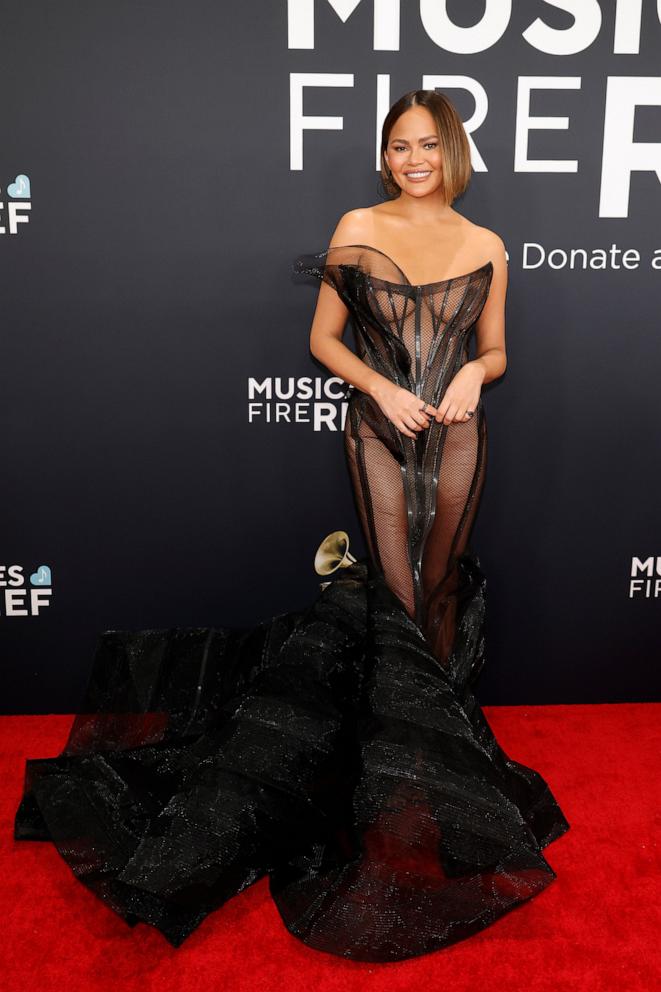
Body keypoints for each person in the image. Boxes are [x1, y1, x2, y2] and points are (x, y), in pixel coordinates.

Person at [13, 89, 569, 963]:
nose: (411, 159)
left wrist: (474, 378)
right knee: (393, 595)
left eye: (426, 144)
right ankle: (385, 779)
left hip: (459, 436)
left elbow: (494, 348)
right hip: (378, 430)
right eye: (397, 145)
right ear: (383, 156)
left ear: (452, 150)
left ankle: (439, 761)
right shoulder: (358, 223)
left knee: (444, 590)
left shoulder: (488, 245)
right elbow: (325, 340)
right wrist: (382, 388)